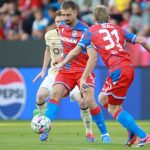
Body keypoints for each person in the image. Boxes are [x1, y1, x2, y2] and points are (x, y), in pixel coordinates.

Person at [56, 4, 150, 147]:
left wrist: (62, 63)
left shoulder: (91, 31)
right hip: (128, 67)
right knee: (102, 98)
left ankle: (143, 136)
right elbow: (143, 40)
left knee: (114, 109)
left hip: (117, 69)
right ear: (108, 18)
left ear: (94, 19)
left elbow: (75, 51)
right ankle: (132, 134)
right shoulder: (118, 29)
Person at [41, 1, 111, 143]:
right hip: (66, 70)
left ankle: (104, 134)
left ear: (76, 13)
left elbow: (93, 57)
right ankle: (45, 127)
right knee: (55, 93)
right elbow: (67, 50)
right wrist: (60, 59)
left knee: (89, 100)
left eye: (68, 15)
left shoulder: (86, 31)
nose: (65, 18)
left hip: (83, 71)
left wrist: (84, 77)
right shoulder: (61, 27)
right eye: (63, 14)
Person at [33, 10, 95, 142]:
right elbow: (47, 50)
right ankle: (44, 125)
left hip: (73, 72)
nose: (60, 24)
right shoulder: (49, 35)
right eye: (57, 21)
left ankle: (89, 132)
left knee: (83, 101)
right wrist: (43, 69)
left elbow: (78, 52)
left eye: (62, 21)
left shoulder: (75, 34)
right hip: (54, 73)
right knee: (39, 96)